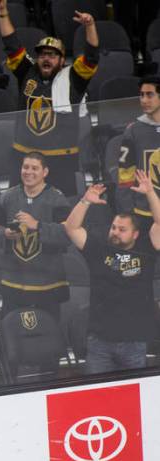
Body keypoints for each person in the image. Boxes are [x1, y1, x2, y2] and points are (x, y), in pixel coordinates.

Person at [0, 0, 99, 196]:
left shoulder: (74, 78)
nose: (46, 58)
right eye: (42, 55)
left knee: (61, 215)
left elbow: (92, 57)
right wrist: (3, 13)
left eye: (52, 55)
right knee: (15, 209)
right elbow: (11, 44)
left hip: (62, 160)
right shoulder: (27, 72)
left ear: (61, 60)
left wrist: (90, 27)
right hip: (24, 156)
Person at [63, 172, 160, 375]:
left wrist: (150, 192)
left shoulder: (146, 248)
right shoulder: (98, 249)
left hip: (135, 341)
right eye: (114, 227)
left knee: (132, 400)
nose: (115, 232)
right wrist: (84, 201)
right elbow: (71, 228)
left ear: (135, 234)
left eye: (122, 229)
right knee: (98, 400)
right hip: (100, 342)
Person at [0, 151, 71, 320]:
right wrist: (4, 234)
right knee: (13, 334)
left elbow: (68, 236)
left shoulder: (57, 199)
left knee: (48, 334)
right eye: (25, 167)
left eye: (34, 168)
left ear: (45, 172)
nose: (28, 172)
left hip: (48, 283)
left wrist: (37, 225)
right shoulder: (7, 197)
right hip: (13, 281)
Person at [117, 76, 160, 224]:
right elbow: (125, 173)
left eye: (149, 94)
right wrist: (128, 209)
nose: (144, 100)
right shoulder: (133, 130)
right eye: (141, 95)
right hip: (143, 212)